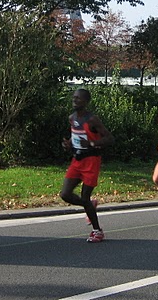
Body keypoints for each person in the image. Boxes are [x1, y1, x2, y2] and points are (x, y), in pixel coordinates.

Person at [60, 88, 114, 243]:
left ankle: (97, 231)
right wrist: (69, 144)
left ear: (86, 101)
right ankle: (90, 205)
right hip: (77, 160)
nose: (74, 100)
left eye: (78, 98)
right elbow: (75, 136)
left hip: (91, 161)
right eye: (74, 97)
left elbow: (110, 139)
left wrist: (91, 143)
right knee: (65, 194)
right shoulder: (72, 118)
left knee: (84, 196)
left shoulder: (92, 120)